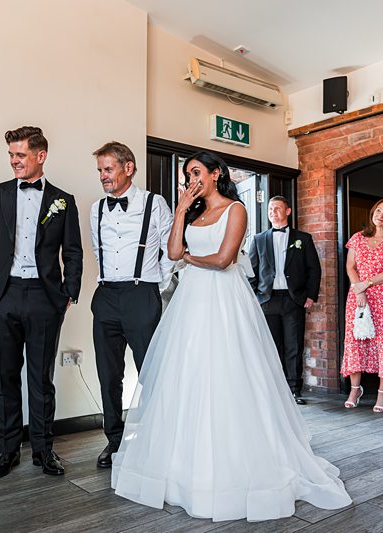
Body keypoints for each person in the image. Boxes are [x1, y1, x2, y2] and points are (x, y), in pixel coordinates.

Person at [111, 151, 351, 522]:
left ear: (215, 173)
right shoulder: (191, 213)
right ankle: (182, 465)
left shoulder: (236, 209)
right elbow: (173, 251)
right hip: (191, 302)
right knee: (188, 373)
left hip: (224, 300)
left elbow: (223, 259)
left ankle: (238, 464)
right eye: (186, 175)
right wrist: (179, 213)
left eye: (195, 172)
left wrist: (190, 259)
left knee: (229, 371)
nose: (190, 179)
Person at [0, 126, 83, 479]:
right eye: (11, 155)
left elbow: (74, 251)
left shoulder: (64, 200)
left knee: (41, 379)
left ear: (40, 156)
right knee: (4, 379)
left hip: (44, 298)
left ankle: (44, 451)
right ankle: (6, 452)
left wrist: (69, 292)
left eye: (20, 155)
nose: (14, 161)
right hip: (1, 297)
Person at [89, 141, 174, 469]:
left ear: (129, 167)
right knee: (108, 373)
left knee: (150, 370)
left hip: (142, 295)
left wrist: (154, 283)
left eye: (108, 169)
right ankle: (114, 439)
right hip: (106, 297)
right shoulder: (96, 208)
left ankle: (157, 438)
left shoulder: (155, 203)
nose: (103, 176)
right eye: (100, 171)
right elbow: (98, 251)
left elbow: (171, 250)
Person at [249, 196, 321, 404]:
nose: (273, 212)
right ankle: (273, 390)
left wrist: (310, 295)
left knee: (293, 346)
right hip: (268, 300)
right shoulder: (259, 239)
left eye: (278, 208)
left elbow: (314, 269)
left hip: (293, 300)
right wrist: (255, 296)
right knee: (271, 346)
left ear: (288, 211)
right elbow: (252, 270)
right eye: (271, 209)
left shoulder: (303, 239)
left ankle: (293, 390)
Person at [341, 198, 383, 412]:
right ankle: (355, 389)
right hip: (357, 295)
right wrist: (359, 289)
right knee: (355, 340)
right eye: (378, 210)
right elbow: (350, 266)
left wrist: (366, 284)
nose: (380, 215)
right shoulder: (358, 238)